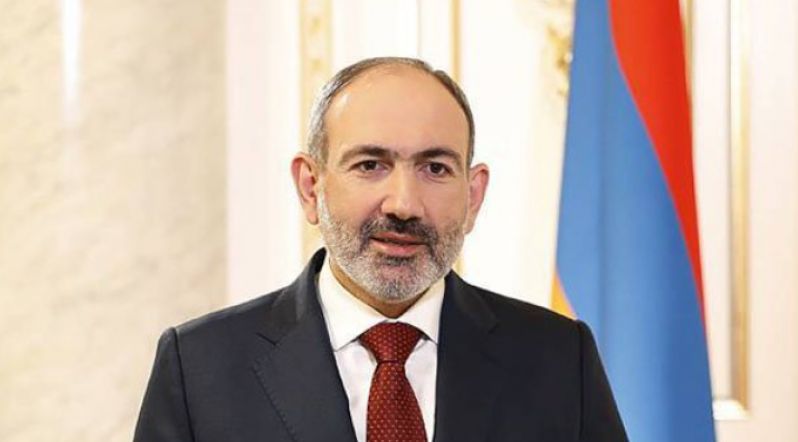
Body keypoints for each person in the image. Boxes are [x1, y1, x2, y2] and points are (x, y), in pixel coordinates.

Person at [134, 57, 627, 442]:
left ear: (473, 196)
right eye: (370, 165)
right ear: (311, 187)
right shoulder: (200, 368)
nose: (403, 204)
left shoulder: (559, 359)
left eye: (435, 168)